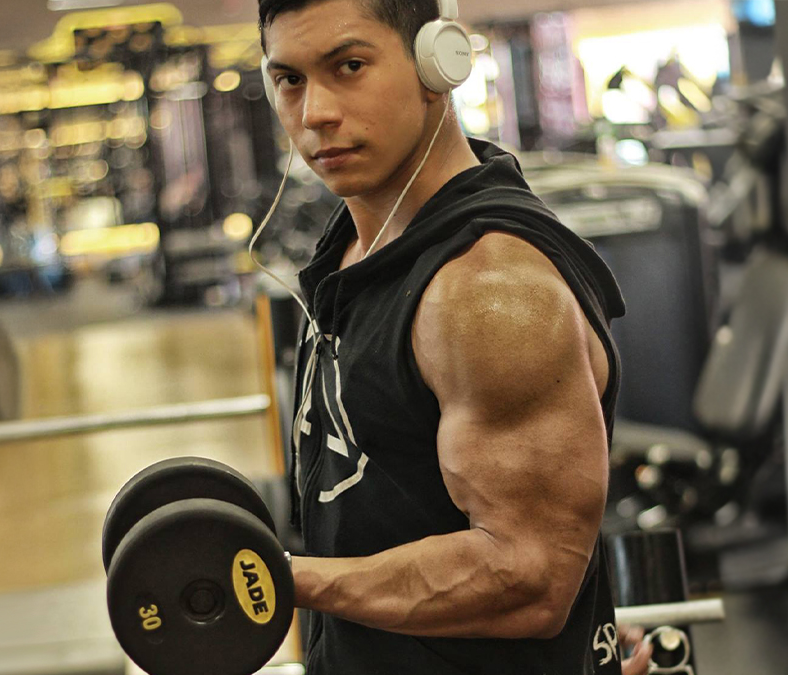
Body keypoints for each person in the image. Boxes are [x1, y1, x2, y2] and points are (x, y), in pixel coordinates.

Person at [257, 0, 655, 672]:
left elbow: (529, 576)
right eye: (290, 79)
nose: (315, 111)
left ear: (437, 61)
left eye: (348, 66)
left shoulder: (487, 289)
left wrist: (284, 580)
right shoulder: (356, 252)